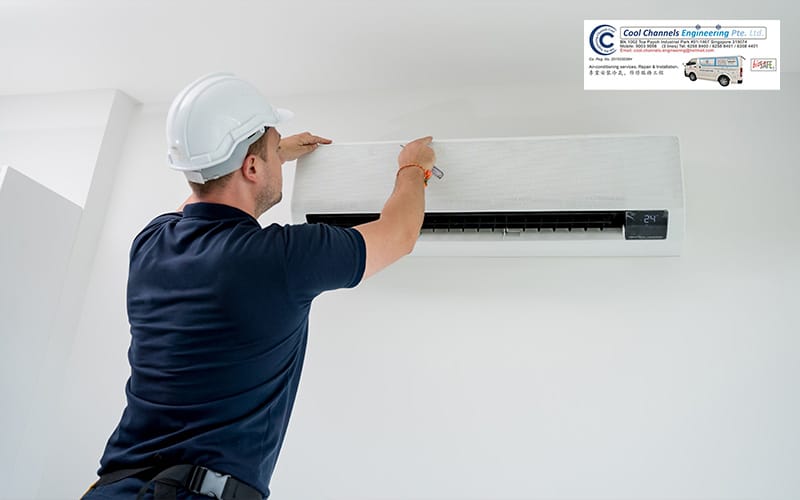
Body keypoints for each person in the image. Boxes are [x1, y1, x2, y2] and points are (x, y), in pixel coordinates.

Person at [82, 73, 435, 499]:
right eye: (270, 147)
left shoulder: (151, 243)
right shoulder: (283, 258)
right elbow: (399, 234)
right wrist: (413, 167)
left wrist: (272, 153)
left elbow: (199, 200)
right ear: (251, 166)